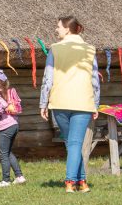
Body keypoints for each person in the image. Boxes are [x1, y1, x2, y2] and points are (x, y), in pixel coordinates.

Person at [39, 16, 100, 194]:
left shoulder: (55, 49)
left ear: (67, 29)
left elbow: (48, 78)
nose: (56, 29)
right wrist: (95, 102)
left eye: (58, 27)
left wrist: (43, 102)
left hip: (59, 100)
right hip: (83, 101)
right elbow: (95, 79)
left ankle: (70, 181)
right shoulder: (90, 50)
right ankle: (81, 181)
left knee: (71, 143)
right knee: (73, 143)